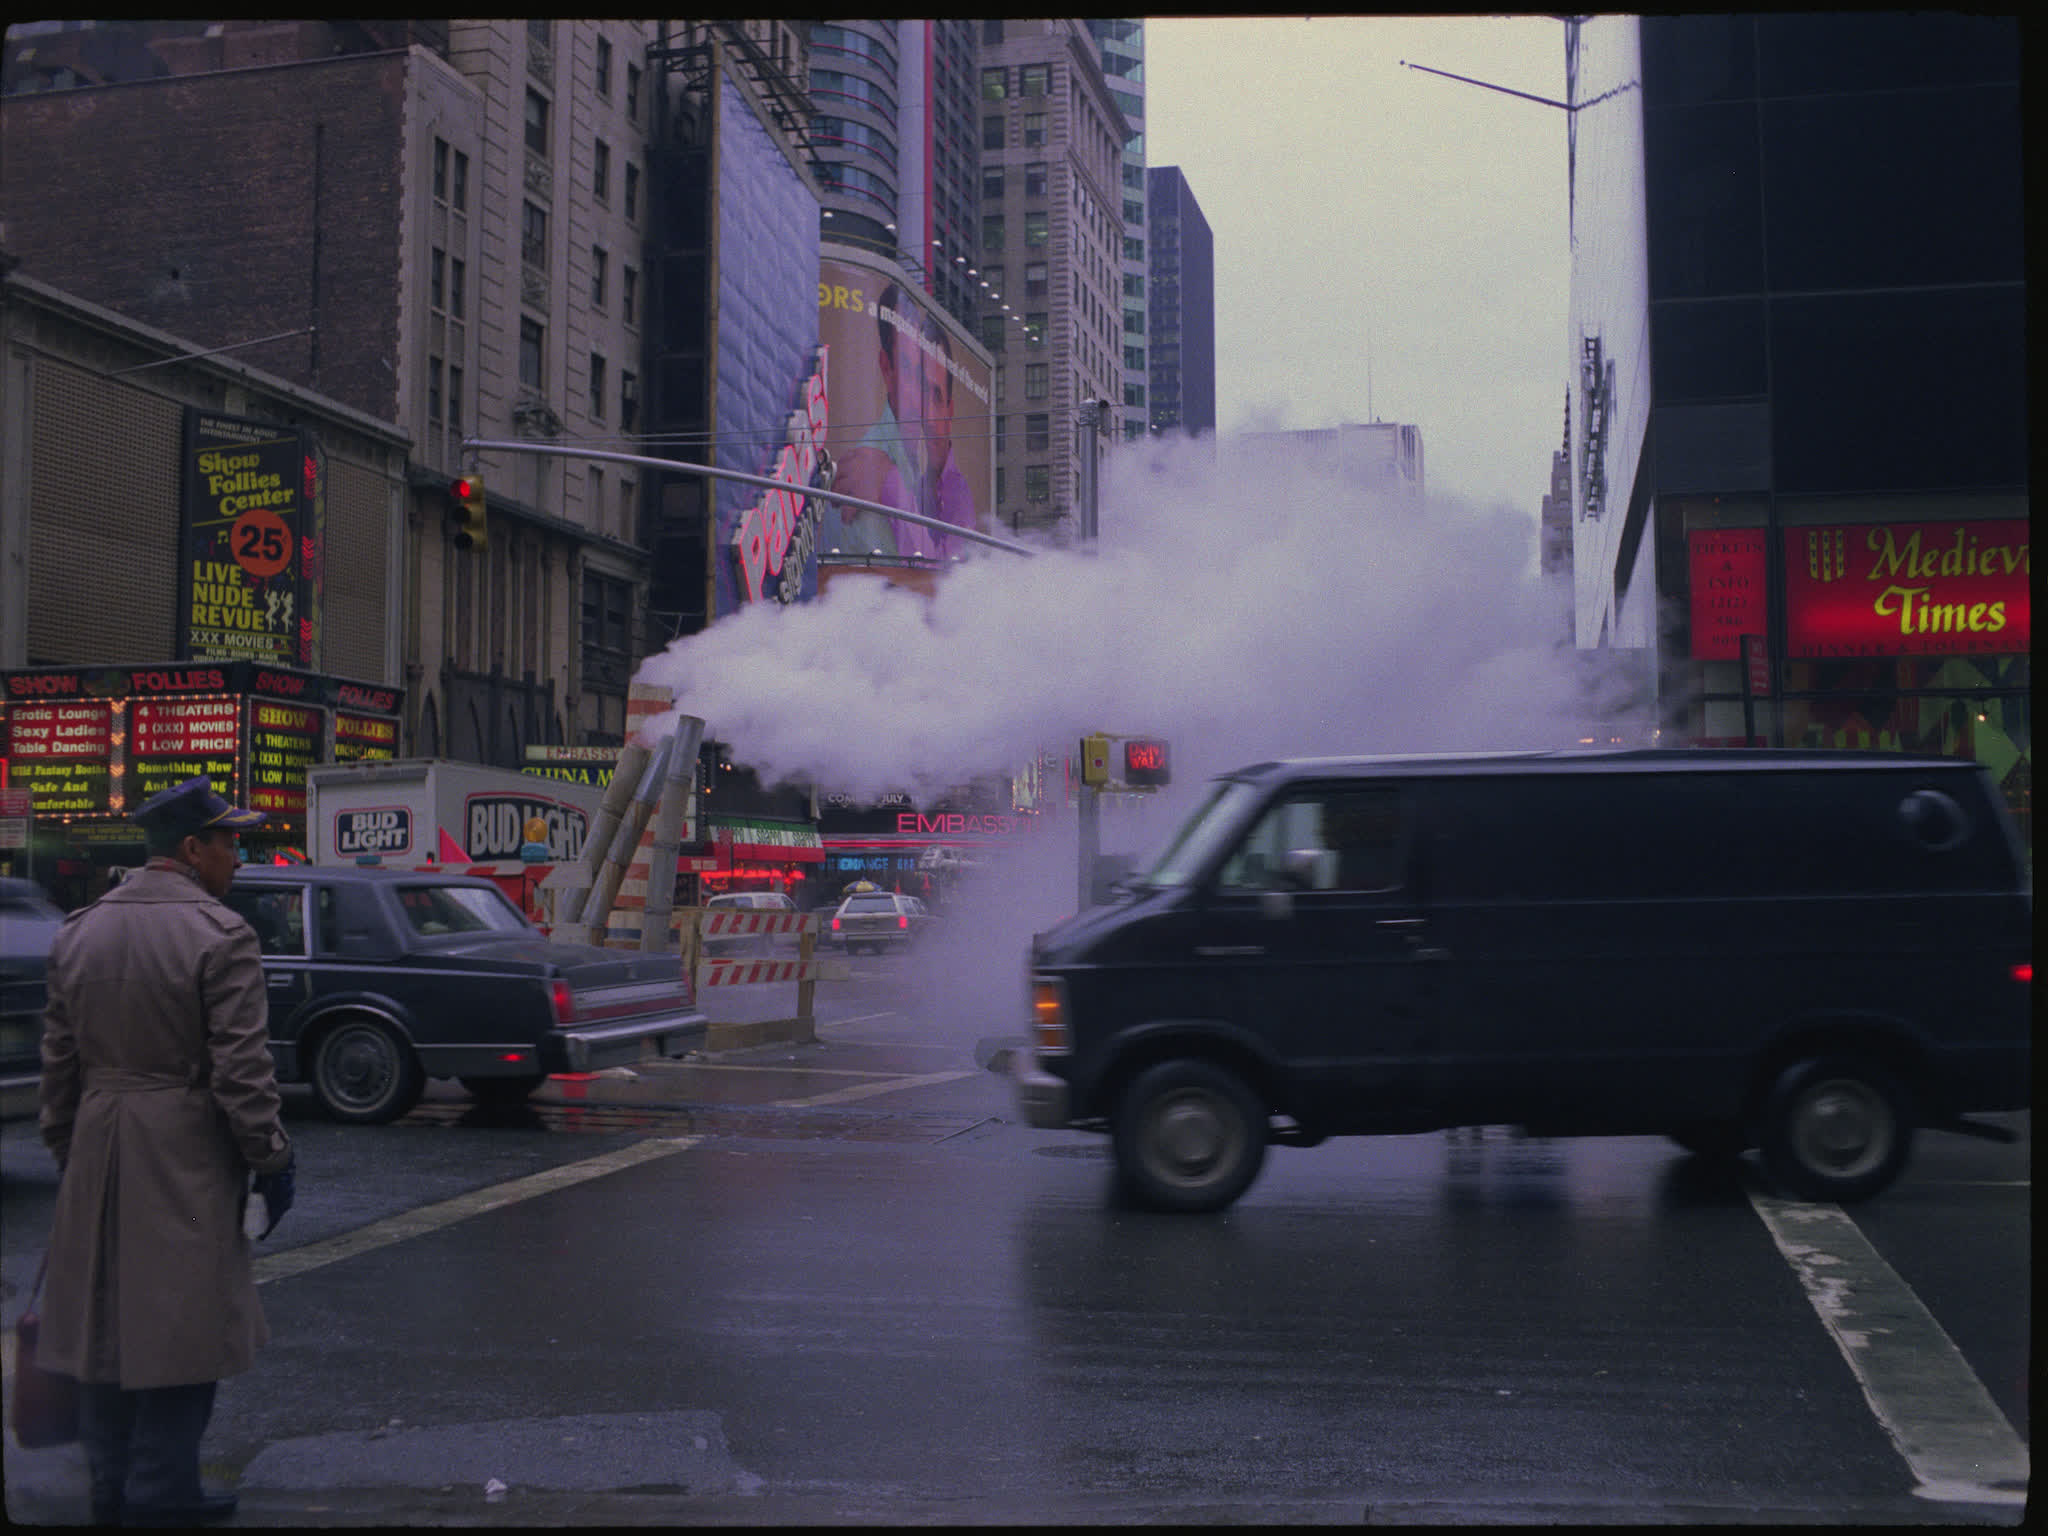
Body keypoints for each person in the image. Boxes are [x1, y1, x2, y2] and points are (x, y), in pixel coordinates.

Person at [38, 775, 296, 1527]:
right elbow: (242, 1073)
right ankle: (162, 1490)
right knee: (185, 1329)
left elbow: (60, 1068)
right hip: (182, 1144)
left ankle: (110, 1488)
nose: (238, 858)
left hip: (98, 1137)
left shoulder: (78, 929)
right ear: (191, 849)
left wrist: (70, 1151)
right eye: (229, 842)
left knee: (101, 1327)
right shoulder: (221, 935)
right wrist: (272, 1159)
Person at [833, 284, 977, 560]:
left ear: (951, 409)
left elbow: (945, 583)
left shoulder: (946, 488)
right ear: (887, 369)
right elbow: (913, 587)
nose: (921, 403)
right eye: (909, 372)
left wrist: (890, 485)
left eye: (933, 394)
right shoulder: (868, 468)